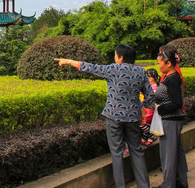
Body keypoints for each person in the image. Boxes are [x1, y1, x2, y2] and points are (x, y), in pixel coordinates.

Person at [55, 44, 154, 188]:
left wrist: (68, 61)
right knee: (136, 151)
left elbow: (90, 67)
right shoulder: (141, 72)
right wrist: (143, 109)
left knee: (117, 153)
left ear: (120, 57)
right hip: (133, 117)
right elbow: (150, 96)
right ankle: (144, 185)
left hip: (113, 117)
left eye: (115, 55)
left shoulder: (113, 69)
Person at [154, 48, 188, 188]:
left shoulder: (173, 78)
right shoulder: (170, 77)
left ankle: (168, 184)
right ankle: (180, 182)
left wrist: (159, 108)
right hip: (172, 119)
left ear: (168, 63)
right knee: (176, 152)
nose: (159, 65)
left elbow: (176, 103)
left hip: (171, 120)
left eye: (160, 63)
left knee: (168, 154)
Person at [140, 68, 159, 145]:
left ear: (153, 78)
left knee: (142, 123)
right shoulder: (151, 87)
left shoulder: (154, 88)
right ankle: (145, 138)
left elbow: (150, 97)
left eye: (149, 77)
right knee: (145, 124)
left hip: (150, 109)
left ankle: (151, 136)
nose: (148, 79)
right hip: (146, 108)